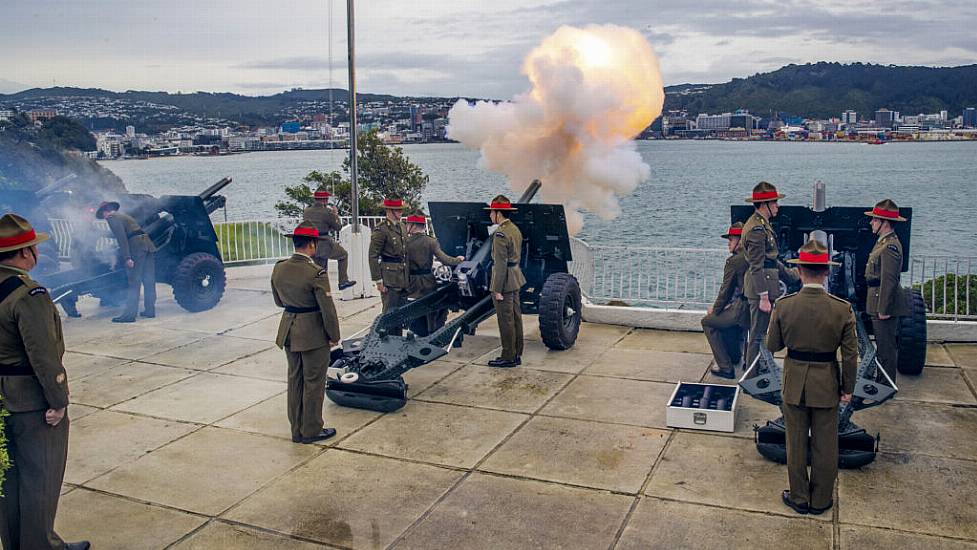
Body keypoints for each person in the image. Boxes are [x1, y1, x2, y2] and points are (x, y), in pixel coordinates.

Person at [0, 213, 90, 550]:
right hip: (28, 401)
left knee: (8, 481)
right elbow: (43, 353)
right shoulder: (28, 294)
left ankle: (15, 544)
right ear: (25, 253)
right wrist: (57, 399)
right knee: (40, 478)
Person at [766, 239, 858, 516]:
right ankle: (821, 500)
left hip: (794, 382)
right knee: (826, 444)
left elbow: (773, 346)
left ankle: (799, 498)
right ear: (827, 272)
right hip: (826, 383)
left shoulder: (784, 305)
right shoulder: (842, 308)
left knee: (795, 443)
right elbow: (851, 356)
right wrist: (848, 388)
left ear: (801, 271)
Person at [270, 222, 341, 444]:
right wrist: (334, 335)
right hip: (312, 333)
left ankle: (296, 430)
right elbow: (327, 309)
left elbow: (278, 301)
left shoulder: (279, 268)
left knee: (295, 380)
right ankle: (310, 430)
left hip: (289, 329)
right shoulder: (316, 273)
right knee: (313, 382)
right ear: (311, 244)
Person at [741, 181, 798, 372]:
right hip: (760, 290)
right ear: (764, 204)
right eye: (774, 203)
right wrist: (764, 296)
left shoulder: (762, 225)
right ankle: (751, 377)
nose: (777, 206)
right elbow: (757, 266)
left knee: (763, 334)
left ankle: (763, 371)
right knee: (757, 336)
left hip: (765, 286)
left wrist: (792, 275)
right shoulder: (757, 229)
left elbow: (771, 260)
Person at [864, 199, 910, 383]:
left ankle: (886, 385)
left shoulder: (890, 246)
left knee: (886, 347)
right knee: (883, 345)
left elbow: (889, 280)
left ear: (885, 223)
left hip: (882, 303)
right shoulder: (883, 242)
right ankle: (882, 380)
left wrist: (883, 309)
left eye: (874, 220)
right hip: (876, 299)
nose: (871, 223)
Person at [701, 222, 750, 378]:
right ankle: (741, 359)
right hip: (754, 308)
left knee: (708, 322)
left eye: (731, 239)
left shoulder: (734, 261)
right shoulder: (755, 256)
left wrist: (714, 311)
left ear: (740, 240)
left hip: (742, 309)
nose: (728, 243)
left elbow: (725, 292)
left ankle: (725, 367)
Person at [95, 201, 157, 323]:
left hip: (136, 248)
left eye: (103, 216)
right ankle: (150, 310)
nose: (104, 218)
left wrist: (127, 257)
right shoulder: (123, 216)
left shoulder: (112, 218)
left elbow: (122, 239)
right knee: (149, 280)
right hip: (147, 245)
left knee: (134, 281)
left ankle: (129, 315)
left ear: (105, 212)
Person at [404, 212, 464, 336]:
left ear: (413, 225)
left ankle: (414, 331)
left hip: (411, 282)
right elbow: (445, 260)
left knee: (413, 306)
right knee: (431, 305)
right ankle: (432, 331)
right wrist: (459, 259)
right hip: (427, 281)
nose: (406, 226)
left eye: (408, 224)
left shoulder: (405, 242)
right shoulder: (431, 241)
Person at [485, 195, 526, 368]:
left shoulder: (500, 234)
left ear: (498, 213)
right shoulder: (514, 229)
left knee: (506, 319)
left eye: (491, 212)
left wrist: (497, 289)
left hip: (505, 281)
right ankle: (517, 353)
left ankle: (508, 356)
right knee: (516, 318)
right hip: (515, 277)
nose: (490, 216)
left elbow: (500, 265)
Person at [302, 186, 355, 291]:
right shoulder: (327, 212)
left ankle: (317, 291)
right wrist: (335, 214)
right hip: (324, 242)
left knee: (319, 269)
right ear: (324, 200)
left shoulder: (307, 211)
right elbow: (338, 227)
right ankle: (343, 281)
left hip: (310, 242)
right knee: (343, 255)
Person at [368, 198, 410, 317]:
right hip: (390, 278)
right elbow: (373, 255)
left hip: (402, 277)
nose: (401, 213)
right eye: (398, 210)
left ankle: (397, 336)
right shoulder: (381, 229)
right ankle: (385, 335)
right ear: (389, 211)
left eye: (401, 210)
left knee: (400, 314)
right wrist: (378, 280)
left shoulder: (402, 226)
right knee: (388, 313)